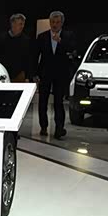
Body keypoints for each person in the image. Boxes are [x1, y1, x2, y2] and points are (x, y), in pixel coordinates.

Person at [31, 10, 77, 139]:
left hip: (61, 74)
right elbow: (35, 56)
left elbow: (73, 50)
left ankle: (59, 128)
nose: (55, 24)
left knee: (58, 102)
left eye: (57, 22)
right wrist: (34, 73)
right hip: (45, 73)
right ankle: (43, 126)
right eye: (52, 22)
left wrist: (60, 41)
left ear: (62, 23)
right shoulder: (42, 36)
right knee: (42, 102)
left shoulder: (68, 35)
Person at [0, 13, 32, 82]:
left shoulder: (26, 40)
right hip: (3, 75)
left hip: (19, 76)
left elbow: (28, 60)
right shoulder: (1, 39)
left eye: (23, 24)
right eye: (20, 24)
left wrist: (28, 77)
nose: (22, 26)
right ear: (12, 24)